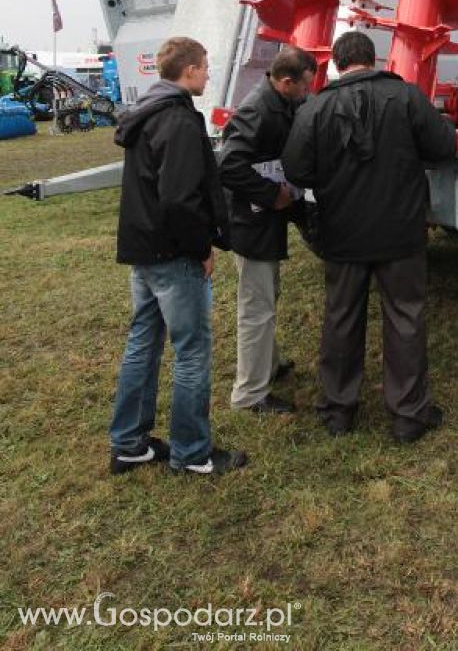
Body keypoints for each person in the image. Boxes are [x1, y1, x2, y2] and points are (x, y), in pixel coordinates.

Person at [281, 30, 457, 443]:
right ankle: (409, 416)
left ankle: (338, 412)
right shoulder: (408, 97)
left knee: (341, 318)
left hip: (342, 233)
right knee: (405, 318)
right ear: (373, 59)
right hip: (401, 231)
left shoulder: (316, 107)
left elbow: (296, 170)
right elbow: (444, 145)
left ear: (338, 64)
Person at [109, 36, 246, 476]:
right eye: (205, 67)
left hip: (143, 252)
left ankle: (129, 443)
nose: (208, 74)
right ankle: (192, 453)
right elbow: (180, 199)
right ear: (188, 71)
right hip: (173, 255)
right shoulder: (180, 120)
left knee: (143, 345)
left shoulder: (146, 113)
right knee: (191, 352)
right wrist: (201, 248)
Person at [218, 47, 317, 415]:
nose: (308, 93)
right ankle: (249, 395)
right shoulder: (256, 110)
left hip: (264, 220)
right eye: (305, 86)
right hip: (252, 221)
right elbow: (228, 166)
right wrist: (271, 195)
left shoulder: (282, 102)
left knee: (266, 295)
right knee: (256, 307)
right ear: (286, 82)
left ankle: (269, 367)